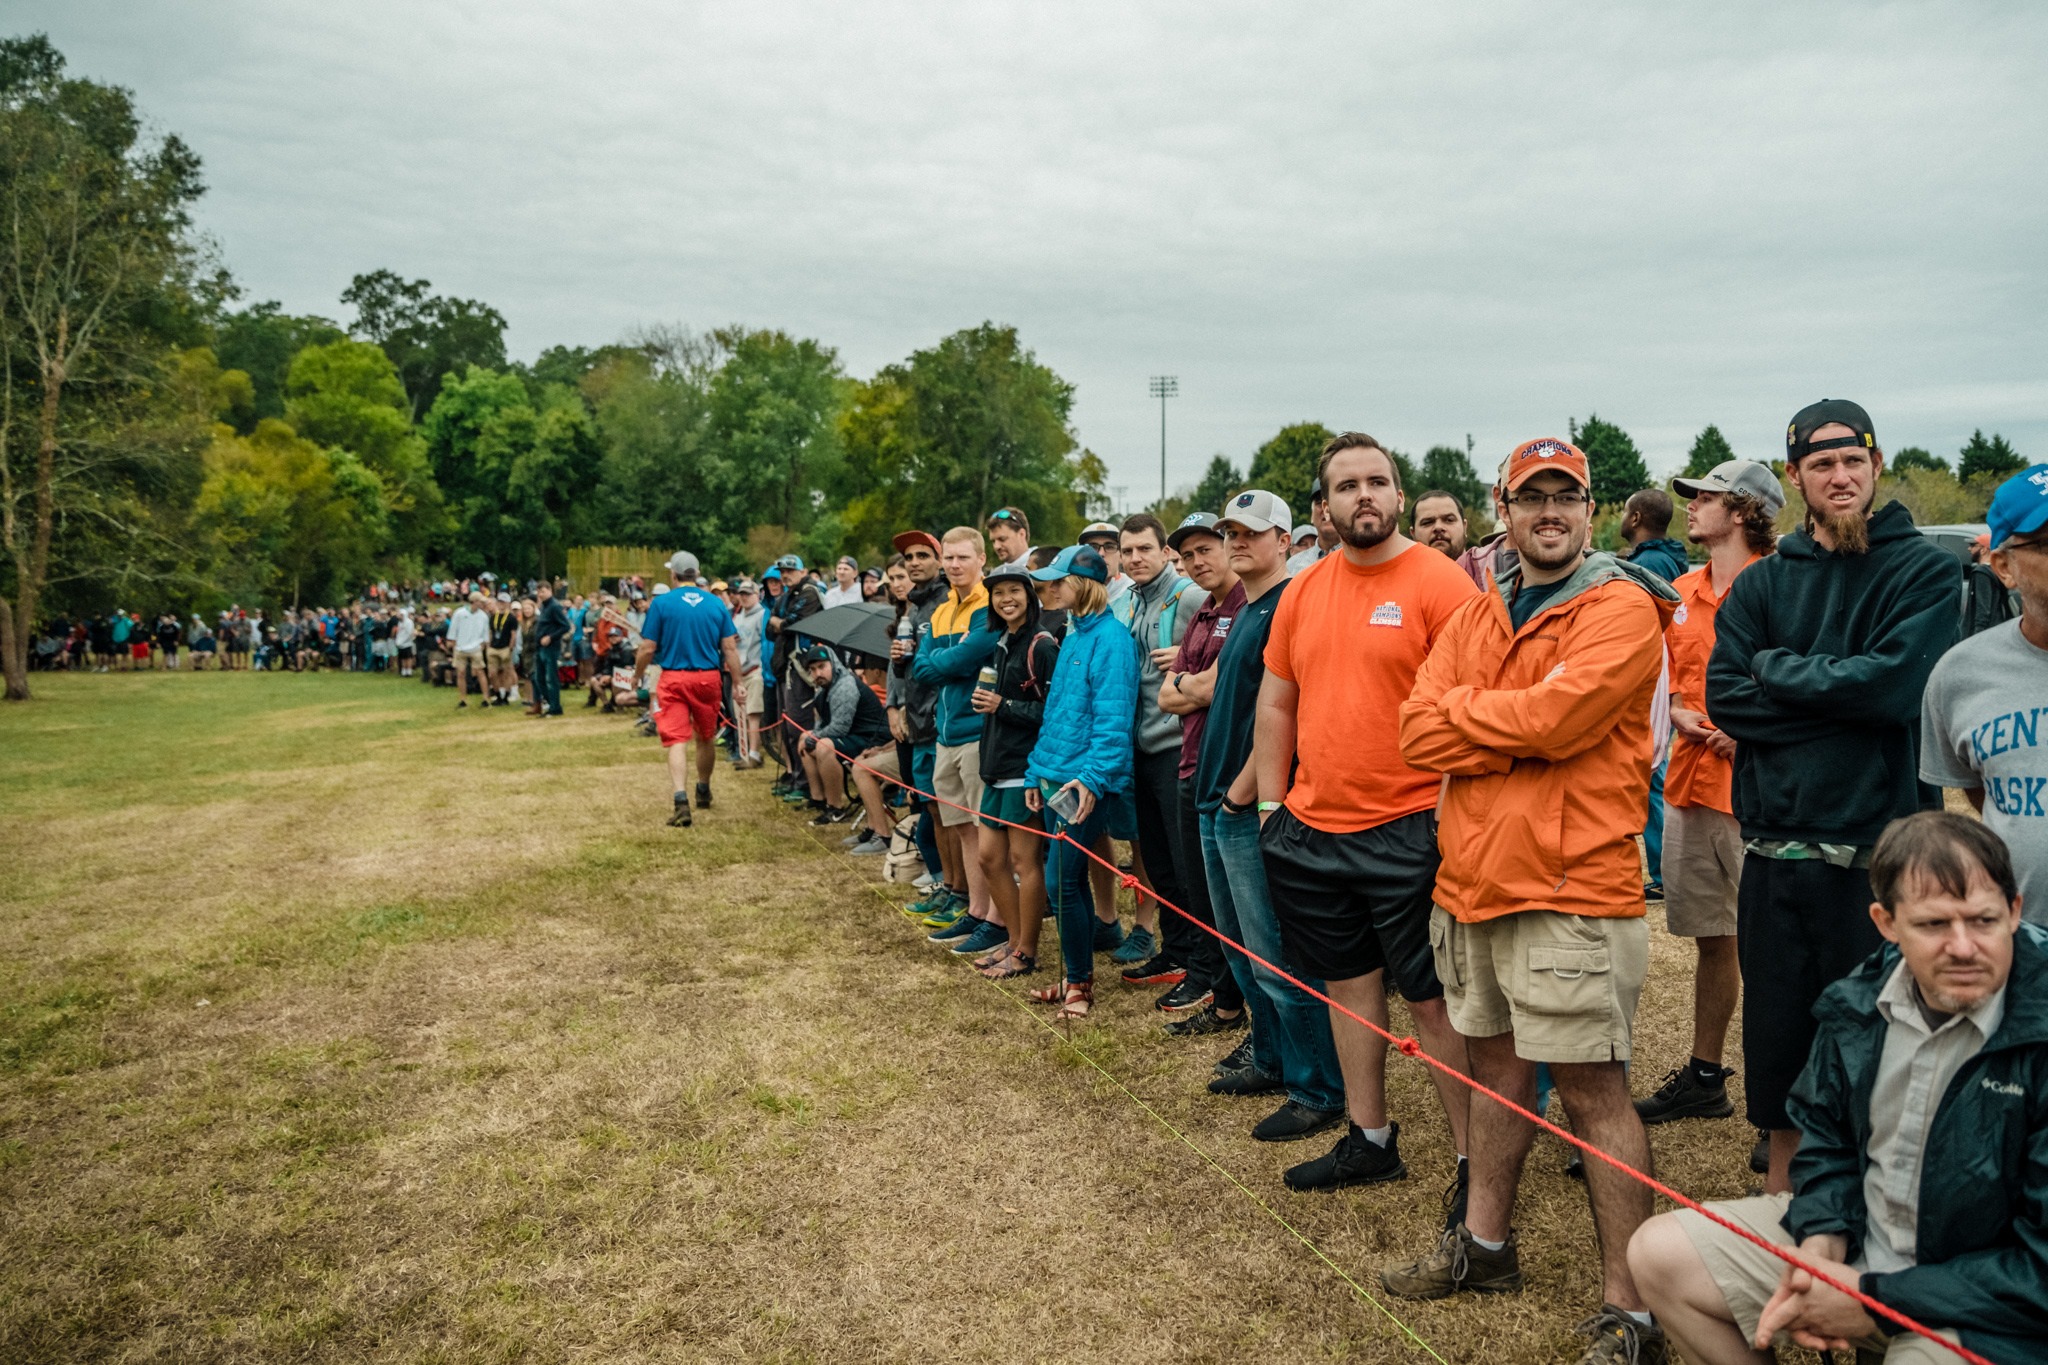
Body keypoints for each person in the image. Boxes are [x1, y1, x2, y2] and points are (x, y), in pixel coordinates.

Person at [1383, 436, 1677, 1365]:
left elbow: (1563, 718)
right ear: (1500, 510)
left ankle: (1632, 1312)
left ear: (1591, 510)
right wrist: (1518, 730)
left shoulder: (1621, 606)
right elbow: (1416, 729)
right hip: (1471, 881)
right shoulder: (1478, 612)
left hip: (1569, 887)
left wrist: (1500, 724)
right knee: (1494, 1072)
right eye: (1531, 497)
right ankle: (1485, 1247)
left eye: (1567, 497)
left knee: (1593, 1089)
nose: (1549, 512)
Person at [1629, 812, 2047, 1365]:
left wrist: (1873, 1302)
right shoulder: (1856, 1004)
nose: (1964, 947)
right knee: (1659, 1254)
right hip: (1862, 1254)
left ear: (2015, 911)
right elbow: (1825, 1141)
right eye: (1934, 925)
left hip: (1988, 1311)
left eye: (1984, 920)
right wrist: (1822, 1241)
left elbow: (2038, 1271)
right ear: (1886, 922)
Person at [1706, 399, 1960, 1195]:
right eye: (1822, 464)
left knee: (1888, 1059)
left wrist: (1778, 672)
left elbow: (1894, 689)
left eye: (1854, 460)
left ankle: (1882, 1245)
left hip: (1880, 862)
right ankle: (1787, 1236)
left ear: (1876, 465)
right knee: (1781, 1067)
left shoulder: (1923, 568)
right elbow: (1724, 699)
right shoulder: (1763, 585)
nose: (1840, 476)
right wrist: (1839, 696)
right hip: (1776, 858)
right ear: (1796, 477)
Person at [1253, 433, 1479, 1196]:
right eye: (1346, 485)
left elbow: (1470, 712)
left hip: (1413, 827)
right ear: (1324, 507)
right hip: (1314, 831)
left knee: (1431, 999)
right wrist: (1269, 805)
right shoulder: (1303, 590)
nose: (1364, 495)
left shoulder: (1442, 584)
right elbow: (1277, 698)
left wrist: (1450, 817)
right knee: (1348, 984)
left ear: (1400, 495)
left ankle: (1476, 1163)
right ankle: (1369, 1136)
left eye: (1378, 481)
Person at [1633, 459, 1783, 1128]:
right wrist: (1677, 707)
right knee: (1713, 940)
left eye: (1706, 496)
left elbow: (1804, 685)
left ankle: (1783, 1105)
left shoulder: (1782, 588)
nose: (1689, 505)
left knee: (1775, 949)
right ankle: (1705, 1074)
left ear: (1748, 510)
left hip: (1761, 793)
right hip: (1692, 789)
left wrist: (1751, 731)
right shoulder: (1679, 590)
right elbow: (1654, 676)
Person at [1195, 490, 1348, 1142]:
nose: (1238, 541)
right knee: (1240, 949)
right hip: (1216, 799)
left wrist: (1242, 794)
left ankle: (1317, 1088)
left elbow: (1291, 712)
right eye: (1231, 530)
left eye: (1252, 532)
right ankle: (1271, 1057)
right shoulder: (1249, 608)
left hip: (1247, 804)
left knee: (1277, 957)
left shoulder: (1289, 604)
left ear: (1286, 541)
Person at [1922, 463, 2048, 925]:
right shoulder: (1961, 674)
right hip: (2024, 945)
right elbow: (1983, 792)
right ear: (2003, 566)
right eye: (2046, 543)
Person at [1022, 544, 1139, 1020]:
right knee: (1063, 882)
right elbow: (1057, 713)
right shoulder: (1072, 634)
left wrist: (1090, 779)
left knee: (1062, 880)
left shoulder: (1112, 640)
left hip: (1084, 785)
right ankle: (1074, 976)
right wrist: (1036, 768)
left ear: (1083, 585)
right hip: (1055, 778)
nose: (1049, 589)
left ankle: (1081, 984)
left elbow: (1114, 722)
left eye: (1058, 581)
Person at [1155, 511, 1249, 1038]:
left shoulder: (1246, 606)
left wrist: (1189, 685)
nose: (1196, 562)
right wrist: (1192, 685)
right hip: (1189, 764)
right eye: (1187, 555)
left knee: (1236, 904)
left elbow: (1213, 689)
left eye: (1205, 549)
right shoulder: (1201, 613)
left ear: (1228, 545)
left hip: (1229, 773)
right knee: (1202, 895)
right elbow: (1168, 696)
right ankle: (1223, 1000)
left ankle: (1238, 1006)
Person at [1110, 512, 1208, 983]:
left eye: (1144, 549)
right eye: (1127, 551)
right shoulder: (1129, 600)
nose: (1135, 558)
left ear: (1165, 551)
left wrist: (1188, 654)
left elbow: (1227, 643)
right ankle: (1176, 950)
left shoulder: (1188, 595)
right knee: (1159, 862)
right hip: (1141, 749)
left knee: (1185, 863)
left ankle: (1200, 961)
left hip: (1176, 746)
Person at [911, 527, 1007, 959]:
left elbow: (961, 659)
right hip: (945, 733)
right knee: (963, 828)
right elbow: (921, 666)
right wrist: (940, 662)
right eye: (948, 558)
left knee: (986, 830)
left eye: (962, 558)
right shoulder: (941, 607)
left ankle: (997, 920)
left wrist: (939, 662)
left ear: (981, 559)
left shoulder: (988, 607)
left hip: (975, 733)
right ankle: (975, 908)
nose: (953, 565)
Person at [969, 564, 1061, 978]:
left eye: (1014, 590)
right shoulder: (1002, 641)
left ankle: (1026, 951)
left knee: (1025, 863)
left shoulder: (1042, 645)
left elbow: (1054, 713)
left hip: (1023, 772)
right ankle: (1012, 940)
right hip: (994, 766)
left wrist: (1002, 706)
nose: (1006, 599)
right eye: (998, 592)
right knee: (990, 858)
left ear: (1029, 594)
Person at [635, 551, 745, 827]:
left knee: (676, 740)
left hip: (674, 678)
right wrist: (739, 684)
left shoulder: (662, 604)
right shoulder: (716, 604)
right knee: (706, 737)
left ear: (673, 574)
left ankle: (680, 799)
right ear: (696, 573)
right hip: (708, 678)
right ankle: (703, 788)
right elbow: (730, 648)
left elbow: (648, 647)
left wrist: (638, 674)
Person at [890, 531, 955, 918]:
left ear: (939, 559)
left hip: (939, 720)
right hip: (917, 721)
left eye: (921, 555)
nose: (913, 562)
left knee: (948, 814)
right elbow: (915, 665)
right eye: (908, 557)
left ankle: (958, 891)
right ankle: (946, 884)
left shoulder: (945, 600)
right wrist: (899, 661)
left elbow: (945, 663)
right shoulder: (914, 606)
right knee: (931, 809)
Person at [795, 642, 894, 826]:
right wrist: (811, 737)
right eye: (813, 669)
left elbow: (839, 728)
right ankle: (818, 799)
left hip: (873, 738)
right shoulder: (823, 689)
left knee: (824, 746)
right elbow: (824, 724)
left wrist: (814, 738)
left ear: (833, 663)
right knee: (804, 738)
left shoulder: (845, 685)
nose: (818, 673)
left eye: (822, 667)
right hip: (852, 735)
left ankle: (835, 808)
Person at [728, 579, 766, 767]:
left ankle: (754, 754)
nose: (743, 597)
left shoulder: (761, 614)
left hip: (755, 669)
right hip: (739, 672)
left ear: (757, 595)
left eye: (748, 594)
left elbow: (764, 642)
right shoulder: (738, 615)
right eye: (741, 594)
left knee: (753, 714)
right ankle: (744, 753)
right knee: (740, 715)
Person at [1621, 489, 1689, 583]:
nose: (1622, 517)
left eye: (1624, 511)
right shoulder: (1663, 558)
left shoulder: (1645, 565)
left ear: (1635, 518)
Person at [532, 581, 570, 717]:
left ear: (550, 591)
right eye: (539, 591)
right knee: (538, 678)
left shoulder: (554, 606)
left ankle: (555, 707)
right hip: (540, 647)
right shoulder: (543, 607)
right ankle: (550, 702)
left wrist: (551, 637)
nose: (540, 594)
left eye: (543, 591)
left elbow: (565, 626)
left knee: (551, 678)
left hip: (551, 648)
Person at [446, 591, 490, 707]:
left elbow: (485, 632)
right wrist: (453, 642)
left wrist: (483, 644)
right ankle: (463, 699)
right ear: (475, 602)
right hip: (461, 647)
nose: (483, 604)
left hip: (476, 647)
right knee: (461, 673)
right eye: (481, 601)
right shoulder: (459, 613)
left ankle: (485, 698)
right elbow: (453, 629)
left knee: (480, 672)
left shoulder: (483, 616)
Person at [1286, 479, 1338, 572]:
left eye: (1333, 501)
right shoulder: (1292, 566)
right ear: (1312, 517)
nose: (1326, 509)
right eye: (1319, 502)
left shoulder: (1365, 559)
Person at [1079, 521, 1131, 601]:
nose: (1101, 553)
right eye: (1093, 547)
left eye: (1109, 547)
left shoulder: (1136, 593)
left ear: (1121, 555)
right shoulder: (1072, 594)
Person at [1412, 489, 1470, 559]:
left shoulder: (1483, 566)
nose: (1438, 527)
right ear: (1413, 534)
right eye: (1427, 522)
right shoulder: (1401, 569)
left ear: (1464, 527)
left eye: (1449, 520)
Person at [486, 592, 519, 706]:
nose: (501, 604)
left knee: (506, 672)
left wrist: (510, 647)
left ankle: (506, 693)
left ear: (508, 604)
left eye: (503, 602)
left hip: (505, 647)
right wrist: (489, 645)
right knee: (492, 673)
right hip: (494, 647)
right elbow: (491, 632)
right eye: (499, 602)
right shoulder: (493, 617)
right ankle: (497, 693)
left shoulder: (511, 618)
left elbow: (513, 634)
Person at [987, 506, 1033, 573]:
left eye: (1002, 539)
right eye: (993, 541)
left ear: (1021, 534)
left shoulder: (1043, 568)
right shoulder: (997, 575)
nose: (996, 546)